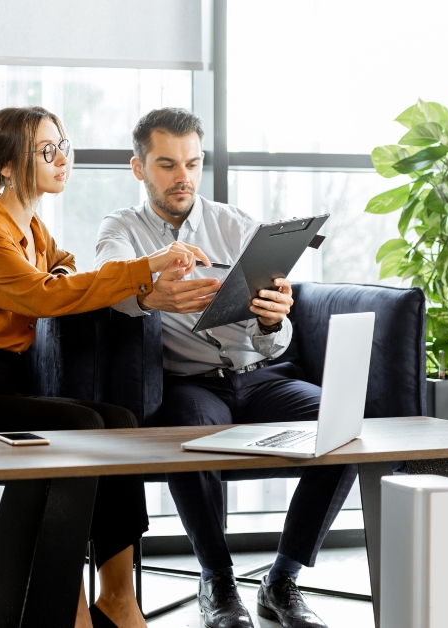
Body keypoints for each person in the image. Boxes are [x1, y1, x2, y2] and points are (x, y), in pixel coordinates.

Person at [0, 106, 209, 628]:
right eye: (46, 150)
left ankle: (118, 598)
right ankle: (69, 605)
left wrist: (111, 282)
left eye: (64, 146)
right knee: (81, 426)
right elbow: (43, 295)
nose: (62, 159)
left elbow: (64, 269)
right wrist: (147, 265)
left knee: (120, 423)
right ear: (8, 168)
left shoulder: (32, 227)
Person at [95, 107, 357, 628]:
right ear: (138, 168)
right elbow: (107, 286)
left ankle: (282, 579)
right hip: (189, 384)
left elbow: (277, 337)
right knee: (191, 432)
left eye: (192, 162)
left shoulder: (235, 225)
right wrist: (149, 294)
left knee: (343, 427)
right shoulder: (122, 228)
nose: (183, 177)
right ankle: (217, 580)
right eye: (167, 164)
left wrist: (273, 319)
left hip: (261, 377)